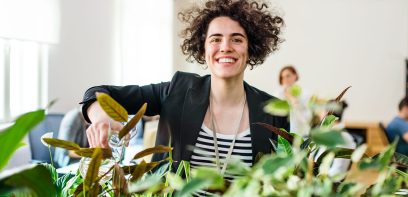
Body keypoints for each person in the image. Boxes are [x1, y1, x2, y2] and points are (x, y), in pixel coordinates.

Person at [80, 0, 289, 175]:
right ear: (203, 48)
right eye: (215, 39)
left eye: (237, 39)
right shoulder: (176, 91)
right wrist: (102, 117)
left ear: (250, 49)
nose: (225, 47)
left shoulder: (274, 109)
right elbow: (96, 94)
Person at [273, 65, 312, 137]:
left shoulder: (305, 94)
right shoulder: (277, 95)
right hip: (283, 135)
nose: (285, 79)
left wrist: (294, 100)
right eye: (282, 77)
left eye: (288, 76)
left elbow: (308, 117)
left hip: (302, 134)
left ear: (295, 76)